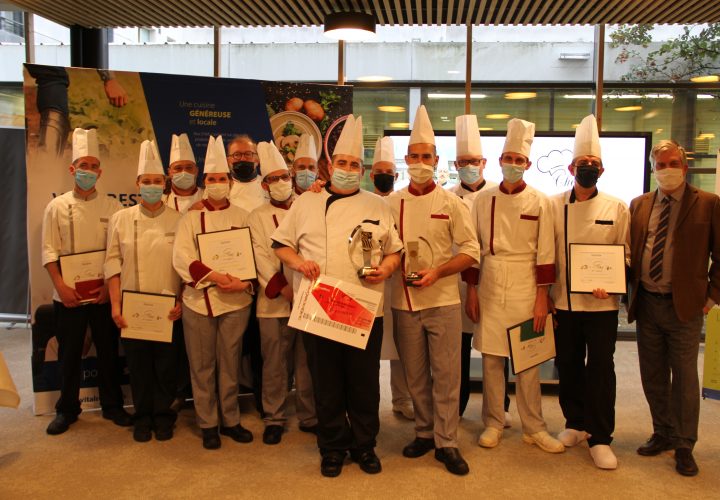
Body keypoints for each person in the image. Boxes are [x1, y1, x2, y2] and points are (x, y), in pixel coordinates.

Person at [272, 115, 402, 478]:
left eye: (354, 165)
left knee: (363, 383)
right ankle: (331, 447)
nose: (347, 169)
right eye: (342, 163)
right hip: (319, 304)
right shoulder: (306, 203)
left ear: (362, 170)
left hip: (363, 305)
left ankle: (364, 445)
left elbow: (395, 251)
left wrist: (388, 269)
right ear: (330, 166)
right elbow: (281, 245)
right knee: (325, 383)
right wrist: (301, 263)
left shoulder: (378, 205)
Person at [387, 105, 479, 476]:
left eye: (427, 156)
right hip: (403, 302)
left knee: (446, 374)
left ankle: (447, 441)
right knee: (414, 373)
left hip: (442, 300)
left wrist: (438, 273)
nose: (421, 162)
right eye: (415, 156)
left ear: (437, 160)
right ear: (406, 160)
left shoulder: (452, 204)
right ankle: (424, 432)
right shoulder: (390, 203)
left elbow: (471, 252)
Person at [471, 118, 564, 454]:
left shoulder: (541, 201)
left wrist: (543, 298)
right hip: (492, 282)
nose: (513, 165)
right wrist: (471, 290)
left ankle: (534, 427)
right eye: (508, 158)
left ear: (527, 163)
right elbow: (473, 248)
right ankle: (494, 423)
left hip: (527, 284)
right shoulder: (483, 199)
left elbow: (547, 253)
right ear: (499, 161)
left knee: (527, 360)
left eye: (519, 160)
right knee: (493, 360)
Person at [628, 139, 720, 477]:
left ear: (684, 166)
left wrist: (711, 296)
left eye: (672, 163)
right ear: (652, 170)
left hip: (685, 306)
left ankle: (684, 444)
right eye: (660, 165)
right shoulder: (639, 204)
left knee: (683, 377)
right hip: (648, 302)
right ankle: (662, 432)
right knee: (652, 374)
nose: (666, 170)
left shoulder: (708, 204)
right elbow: (631, 253)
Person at [548, 115, 630, 469]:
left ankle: (600, 436)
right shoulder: (552, 205)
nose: (588, 169)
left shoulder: (616, 207)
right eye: (583, 164)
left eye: (593, 165)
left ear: (602, 170)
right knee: (566, 365)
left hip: (602, 305)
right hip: (564, 302)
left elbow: (625, 253)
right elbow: (546, 253)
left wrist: (611, 281)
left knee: (600, 368)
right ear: (571, 167)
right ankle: (575, 423)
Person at [42, 128, 132, 435]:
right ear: (72, 169)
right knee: (69, 353)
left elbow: (117, 253)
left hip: (103, 293)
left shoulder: (113, 208)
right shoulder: (56, 207)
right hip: (67, 295)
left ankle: (113, 405)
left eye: (93, 166)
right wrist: (61, 287)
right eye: (83, 166)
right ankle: (67, 409)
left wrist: (109, 287)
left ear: (100, 171)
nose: (88, 171)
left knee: (108, 351)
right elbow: (49, 252)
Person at [172, 135, 255, 450]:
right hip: (198, 303)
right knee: (202, 365)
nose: (218, 183)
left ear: (230, 182)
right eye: (212, 178)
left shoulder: (243, 216)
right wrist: (218, 277)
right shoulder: (190, 217)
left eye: (223, 178)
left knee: (230, 362)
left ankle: (231, 420)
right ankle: (207, 422)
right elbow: (182, 258)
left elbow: (252, 255)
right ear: (204, 181)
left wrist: (244, 283)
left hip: (235, 303)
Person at [105, 140, 182, 442]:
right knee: (138, 367)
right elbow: (112, 263)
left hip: (167, 309)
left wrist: (181, 302)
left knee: (166, 367)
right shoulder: (120, 219)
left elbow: (185, 265)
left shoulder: (179, 219)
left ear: (165, 183)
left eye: (157, 181)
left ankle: (163, 417)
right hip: (132, 307)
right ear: (137, 184)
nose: (152, 186)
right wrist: (115, 306)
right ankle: (142, 417)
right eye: (146, 181)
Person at [249, 141, 317, 445]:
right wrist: (287, 290)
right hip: (274, 301)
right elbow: (262, 260)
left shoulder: (307, 207)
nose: (280, 183)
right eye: (273, 178)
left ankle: (309, 415)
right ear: (264, 184)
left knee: (306, 362)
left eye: (283, 176)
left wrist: (304, 291)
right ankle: (274, 417)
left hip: (309, 299)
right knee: (274, 362)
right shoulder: (256, 217)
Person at [447, 114, 505, 421]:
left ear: (484, 163)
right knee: (457, 351)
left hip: (492, 282)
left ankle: (499, 408)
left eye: (474, 161)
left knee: (495, 349)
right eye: (463, 162)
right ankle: (455, 407)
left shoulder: (498, 194)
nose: (469, 166)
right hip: (456, 284)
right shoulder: (446, 197)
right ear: (455, 166)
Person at [370, 136, 414, 421]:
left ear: (396, 176)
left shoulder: (403, 201)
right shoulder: (360, 202)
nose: (385, 177)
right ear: (369, 175)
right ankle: (368, 402)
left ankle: (402, 399)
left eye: (389, 173)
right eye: (379, 173)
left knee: (400, 347)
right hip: (369, 285)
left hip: (397, 285)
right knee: (368, 349)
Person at [226, 134, 267, 212]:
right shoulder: (221, 188)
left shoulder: (269, 185)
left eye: (248, 154)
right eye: (237, 155)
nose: (243, 158)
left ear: (257, 159)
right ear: (228, 161)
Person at [164, 133, 203, 213]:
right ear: (169, 172)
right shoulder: (161, 201)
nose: (184, 172)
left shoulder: (207, 197)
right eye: (178, 168)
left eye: (189, 168)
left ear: (197, 170)